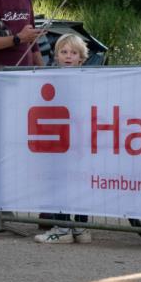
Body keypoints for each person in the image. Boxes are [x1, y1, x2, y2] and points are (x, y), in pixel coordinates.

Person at [34, 33, 91, 245]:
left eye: (73, 53)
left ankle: (74, 227)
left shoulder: (84, 80)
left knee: (77, 181)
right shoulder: (53, 79)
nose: (68, 56)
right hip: (59, 140)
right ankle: (68, 225)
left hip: (77, 140)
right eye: (64, 52)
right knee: (61, 181)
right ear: (56, 56)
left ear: (81, 57)